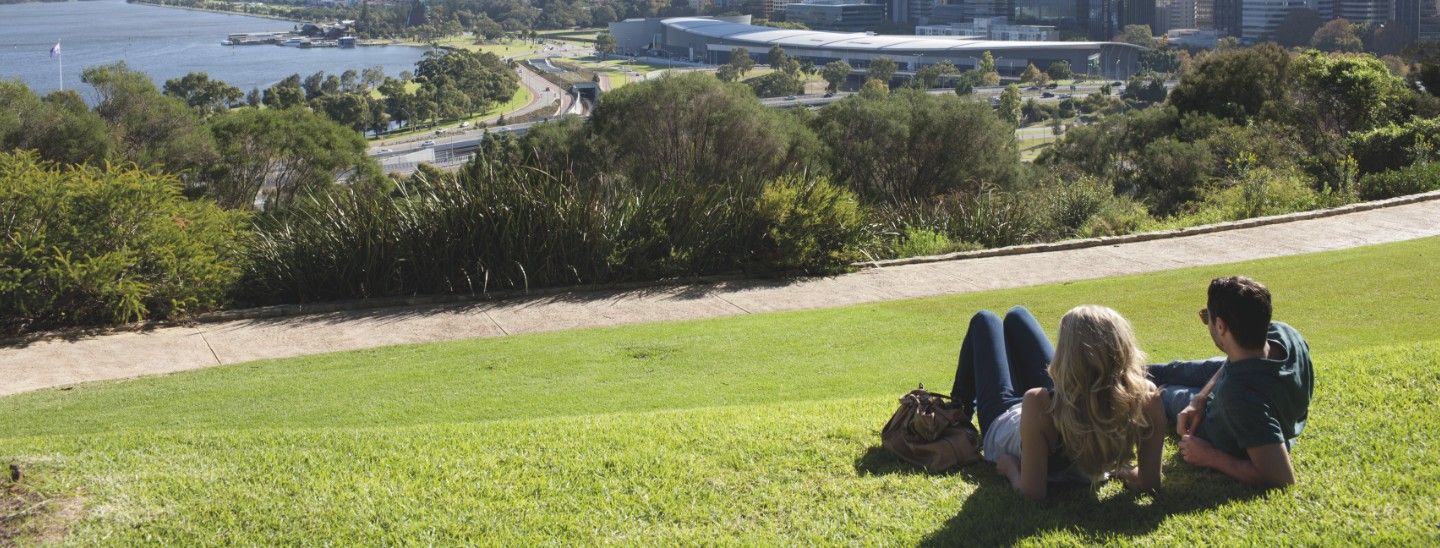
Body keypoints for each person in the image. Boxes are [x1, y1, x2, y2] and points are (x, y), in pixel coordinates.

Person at [952, 305, 1165, 500]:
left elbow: (1031, 493)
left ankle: (955, 414)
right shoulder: (1146, 398)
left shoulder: (1038, 402)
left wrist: (1011, 469)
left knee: (985, 319)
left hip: (1005, 424)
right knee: (1017, 315)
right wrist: (1121, 470)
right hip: (1063, 400)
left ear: (1067, 355)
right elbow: (1149, 483)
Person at [1147, 276, 1313, 488]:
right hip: (1225, 375)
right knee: (1173, 369)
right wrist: (1200, 397)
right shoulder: (1285, 333)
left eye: (1207, 318)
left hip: (1214, 421)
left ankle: (1106, 381)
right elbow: (1238, 359)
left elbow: (1281, 478)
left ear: (1220, 325)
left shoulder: (1240, 396)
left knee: (1164, 391)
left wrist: (1210, 456)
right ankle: (1118, 369)